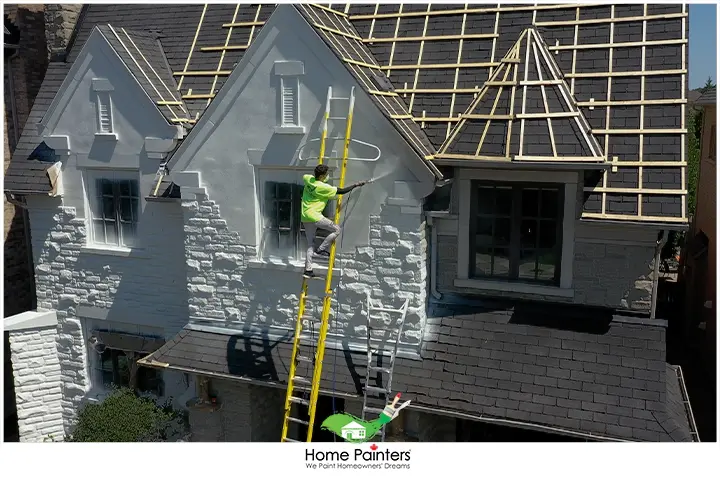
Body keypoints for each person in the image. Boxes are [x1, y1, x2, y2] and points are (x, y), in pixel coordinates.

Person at [301, 164, 366, 278]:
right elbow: (341, 191)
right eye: (325, 175)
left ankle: (308, 270)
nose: (327, 176)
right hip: (315, 216)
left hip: (305, 216)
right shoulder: (324, 188)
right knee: (336, 229)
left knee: (310, 244)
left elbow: (307, 177)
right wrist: (356, 185)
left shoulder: (308, 179)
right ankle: (321, 249)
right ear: (322, 176)